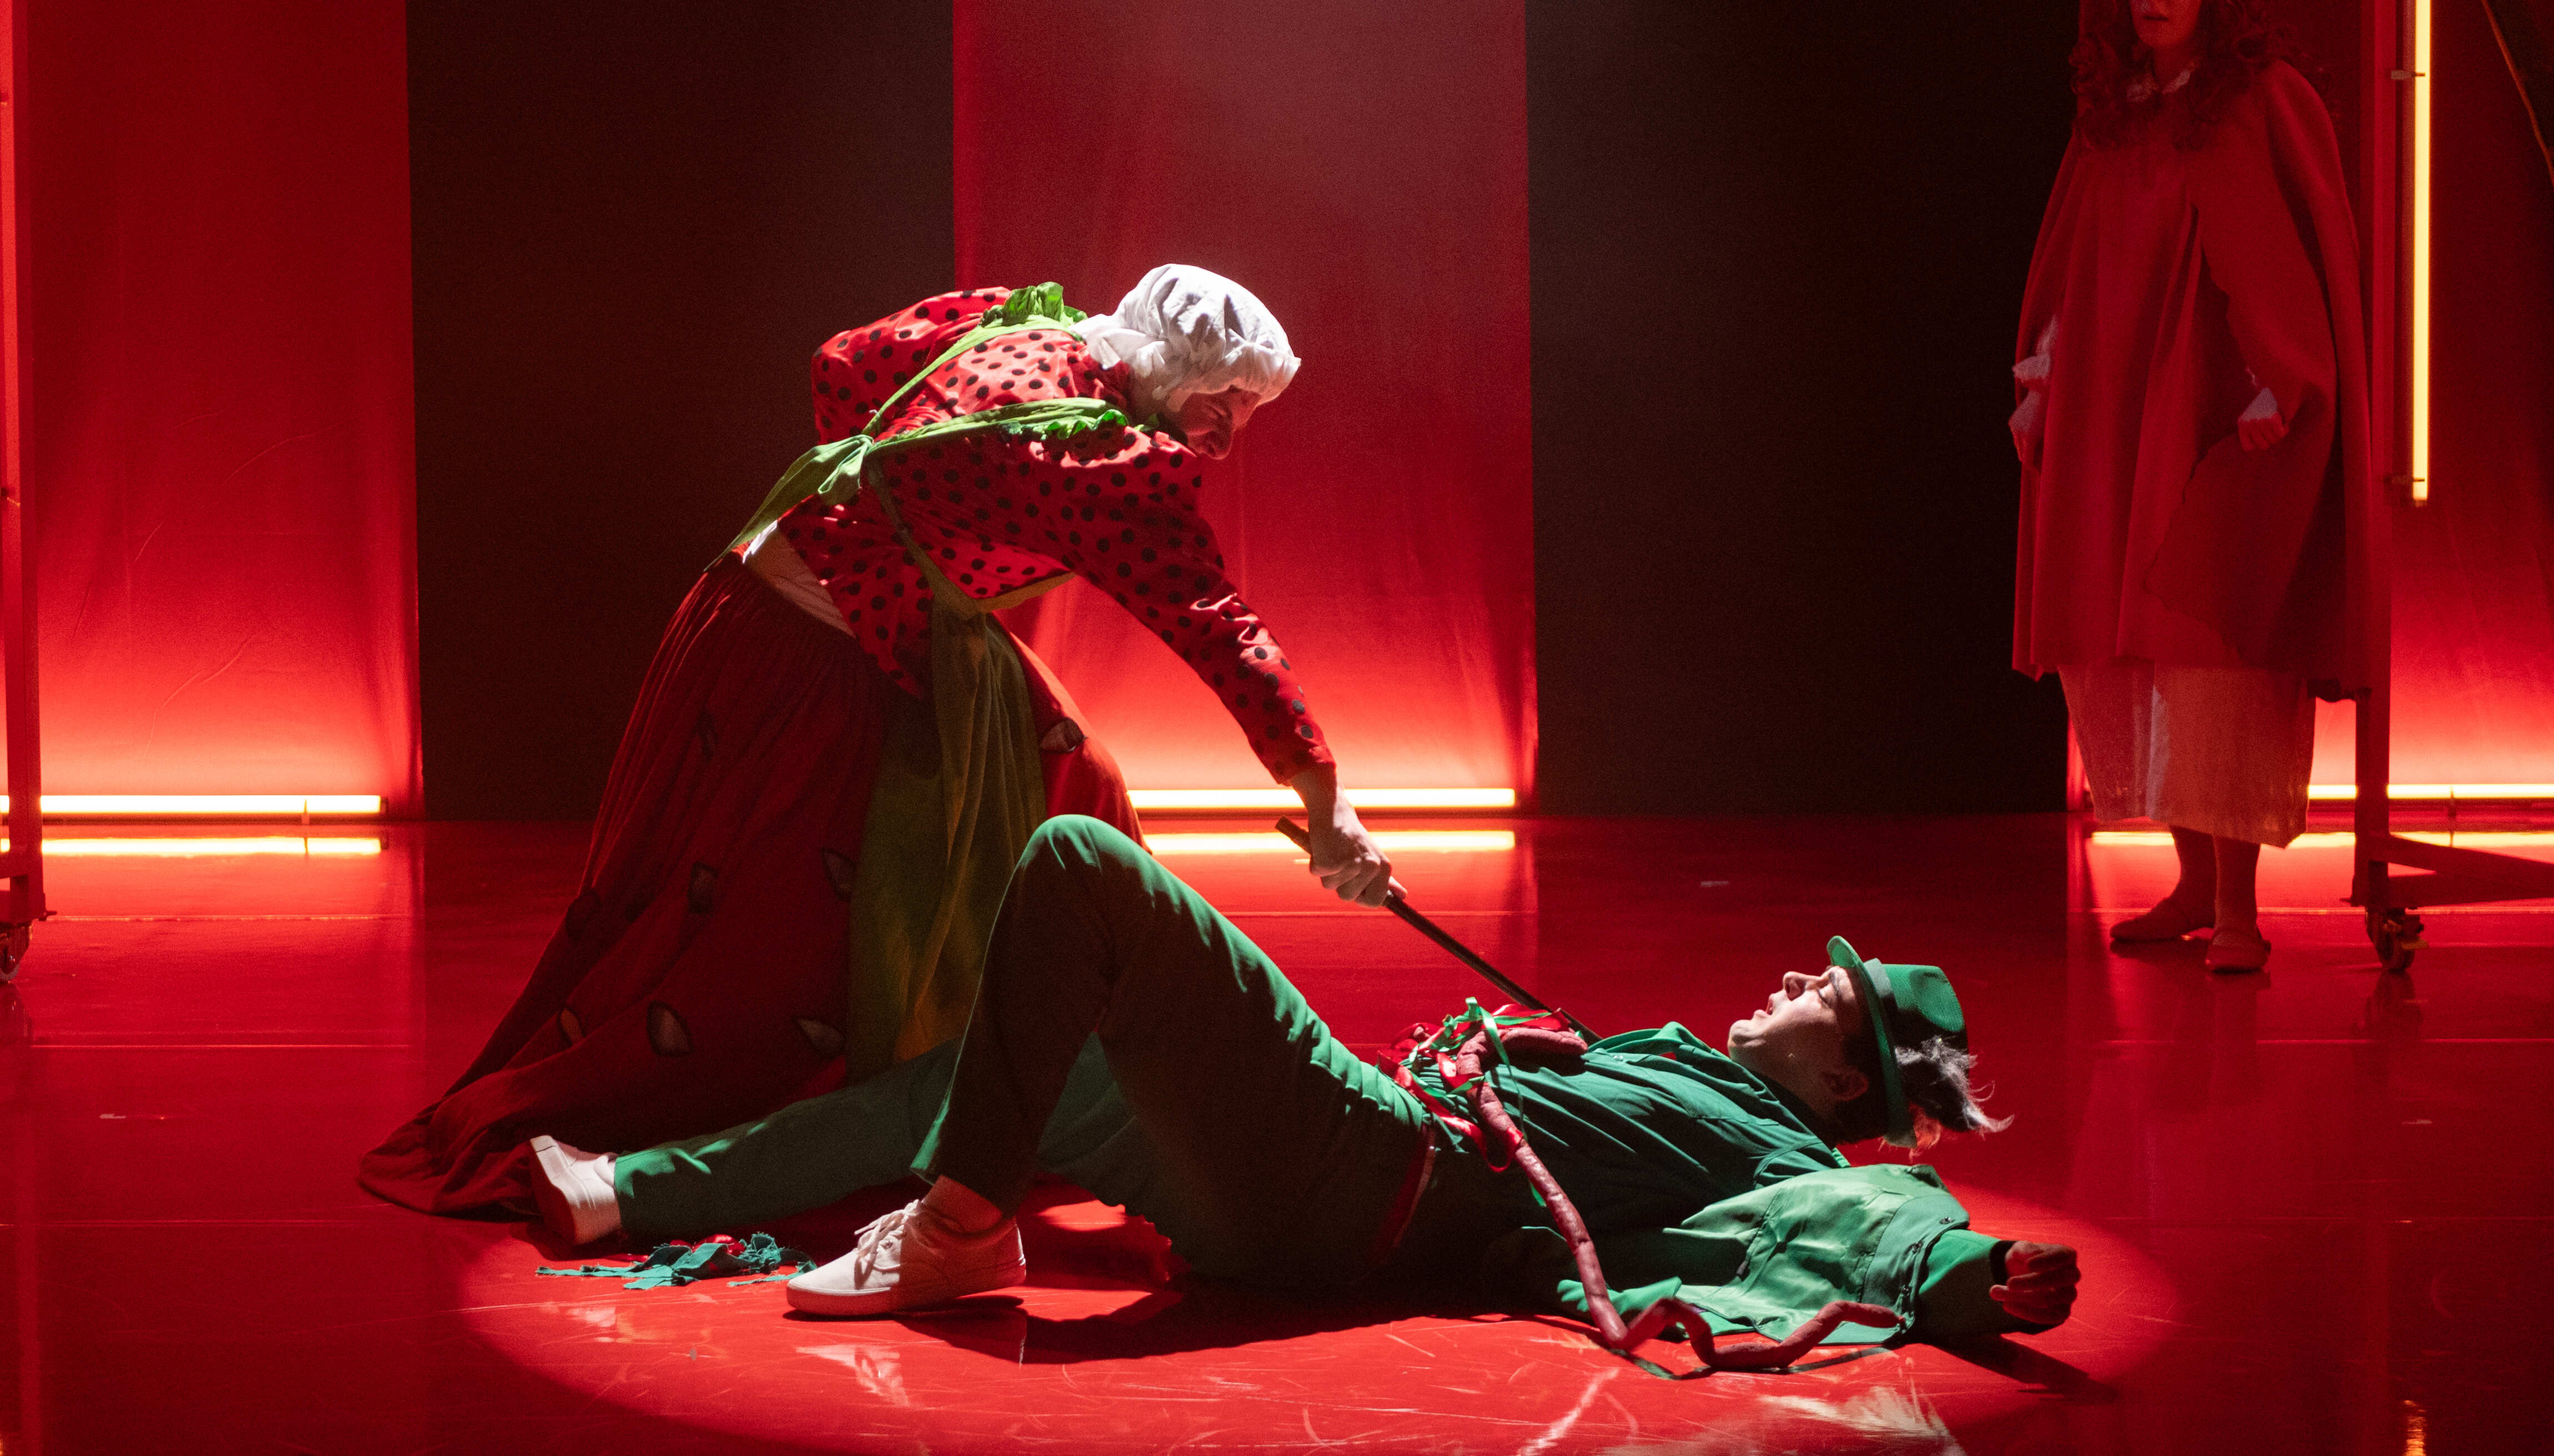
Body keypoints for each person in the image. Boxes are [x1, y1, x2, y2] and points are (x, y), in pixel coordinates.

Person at [364, 267, 1398, 1217]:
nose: (1219, 444)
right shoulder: (1098, 458)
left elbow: (842, 364)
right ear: (1170, 366)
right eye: (1219, 410)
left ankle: (1033, 1070)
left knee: (1077, 776)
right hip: (808, 656)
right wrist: (1325, 803)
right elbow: (1216, 624)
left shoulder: (1016, 326)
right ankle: (843, 1116)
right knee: (774, 948)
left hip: (769, 601)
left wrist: (903, 519)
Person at [531, 817, 2082, 1353]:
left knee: (1078, 872)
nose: (1794, 978)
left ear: (1848, 1069)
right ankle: (631, 1191)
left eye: (1829, 993)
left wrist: (1968, 1278)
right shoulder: (1673, 1058)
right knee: (1000, 1071)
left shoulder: (1774, 1148)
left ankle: (954, 1230)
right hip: (1298, 1191)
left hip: (1367, 1163)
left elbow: (1868, 1220)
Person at [2009, 0, 2376, 972]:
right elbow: (2077, 261)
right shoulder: (2118, 114)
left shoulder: (2264, 103)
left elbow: (2297, 251)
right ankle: (2192, 884)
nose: (2155, 0)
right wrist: (2048, 372)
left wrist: (2280, 375)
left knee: (2216, 651)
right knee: (2137, 652)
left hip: (2216, 419)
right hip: (2128, 414)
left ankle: (2242, 909)